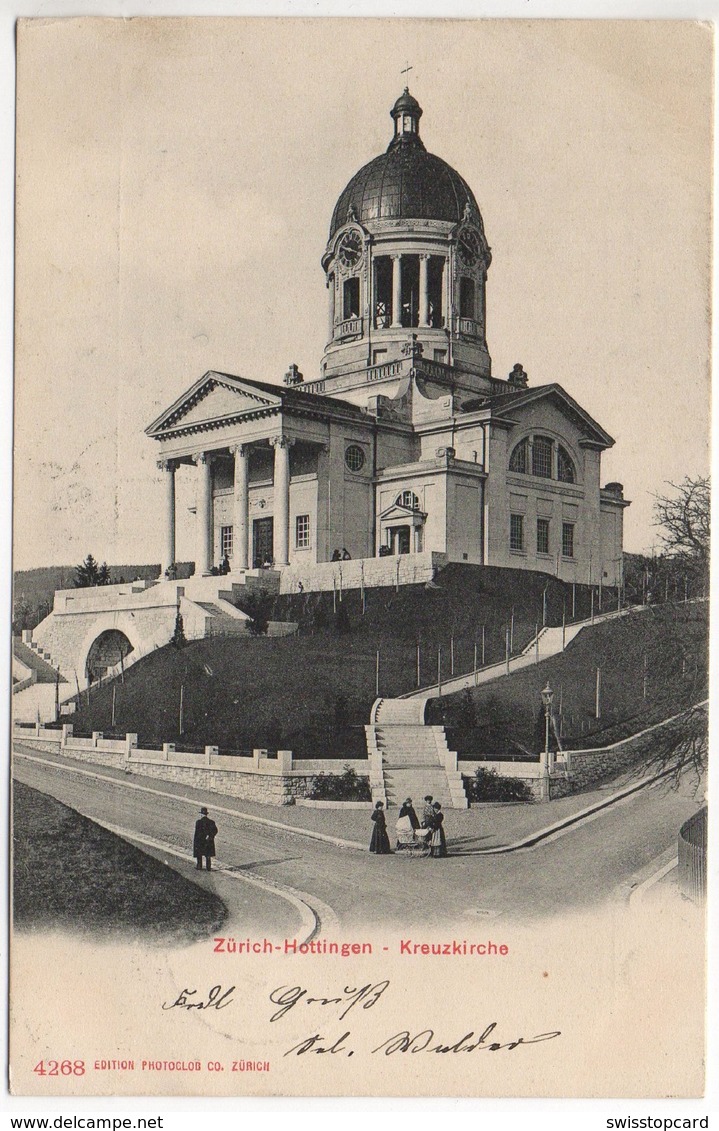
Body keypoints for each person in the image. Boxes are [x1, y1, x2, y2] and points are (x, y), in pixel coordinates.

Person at [193, 806, 218, 871]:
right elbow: (215, 831)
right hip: (208, 841)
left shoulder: (198, 822)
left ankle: (199, 866)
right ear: (206, 814)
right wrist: (210, 837)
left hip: (200, 841)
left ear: (201, 814)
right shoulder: (211, 822)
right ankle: (208, 867)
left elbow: (197, 833)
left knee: (199, 854)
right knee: (208, 855)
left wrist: (196, 841)